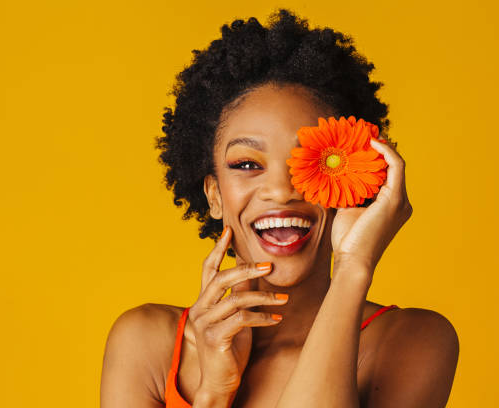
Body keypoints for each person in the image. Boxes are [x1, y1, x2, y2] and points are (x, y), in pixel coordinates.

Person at [100, 8, 459, 408]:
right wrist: (213, 395)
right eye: (247, 165)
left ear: (347, 178)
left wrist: (353, 269)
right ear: (215, 195)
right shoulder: (145, 344)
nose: (281, 190)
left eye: (311, 160)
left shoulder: (412, 341)